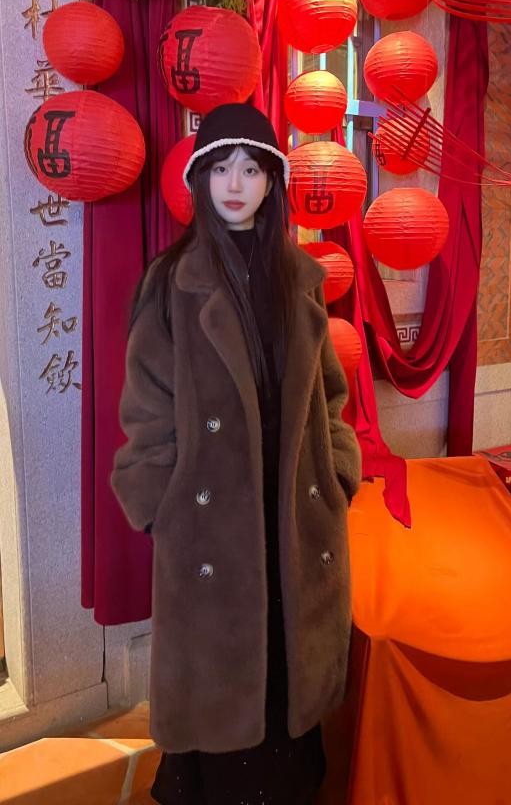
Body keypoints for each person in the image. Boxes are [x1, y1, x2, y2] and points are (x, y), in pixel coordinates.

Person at [111, 102, 361, 805]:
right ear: (199, 178)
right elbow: (146, 409)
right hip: (210, 529)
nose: (235, 184)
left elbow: (330, 395)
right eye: (220, 167)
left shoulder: (300, 279)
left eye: (251, 169)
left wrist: (338, 471)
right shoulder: (172, 282)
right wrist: (162, 507)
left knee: (288, 688)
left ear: (272, 181)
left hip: (294, 520)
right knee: (221, 707)